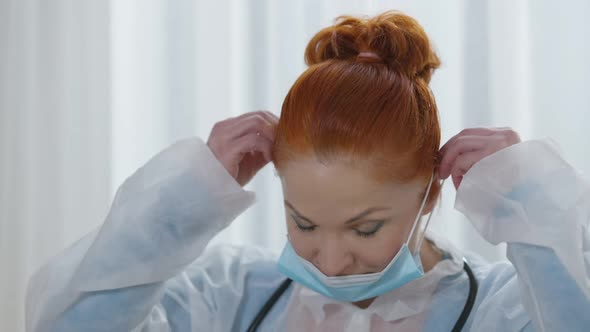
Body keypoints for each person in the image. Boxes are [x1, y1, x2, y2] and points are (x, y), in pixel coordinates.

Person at [26, 11, 590, 332]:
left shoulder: (504, 310)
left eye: (365, 228)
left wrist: (531, 200)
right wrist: (185, 196)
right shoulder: (229, 297)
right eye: (303, 222)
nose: (331, 260)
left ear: (431, 188)